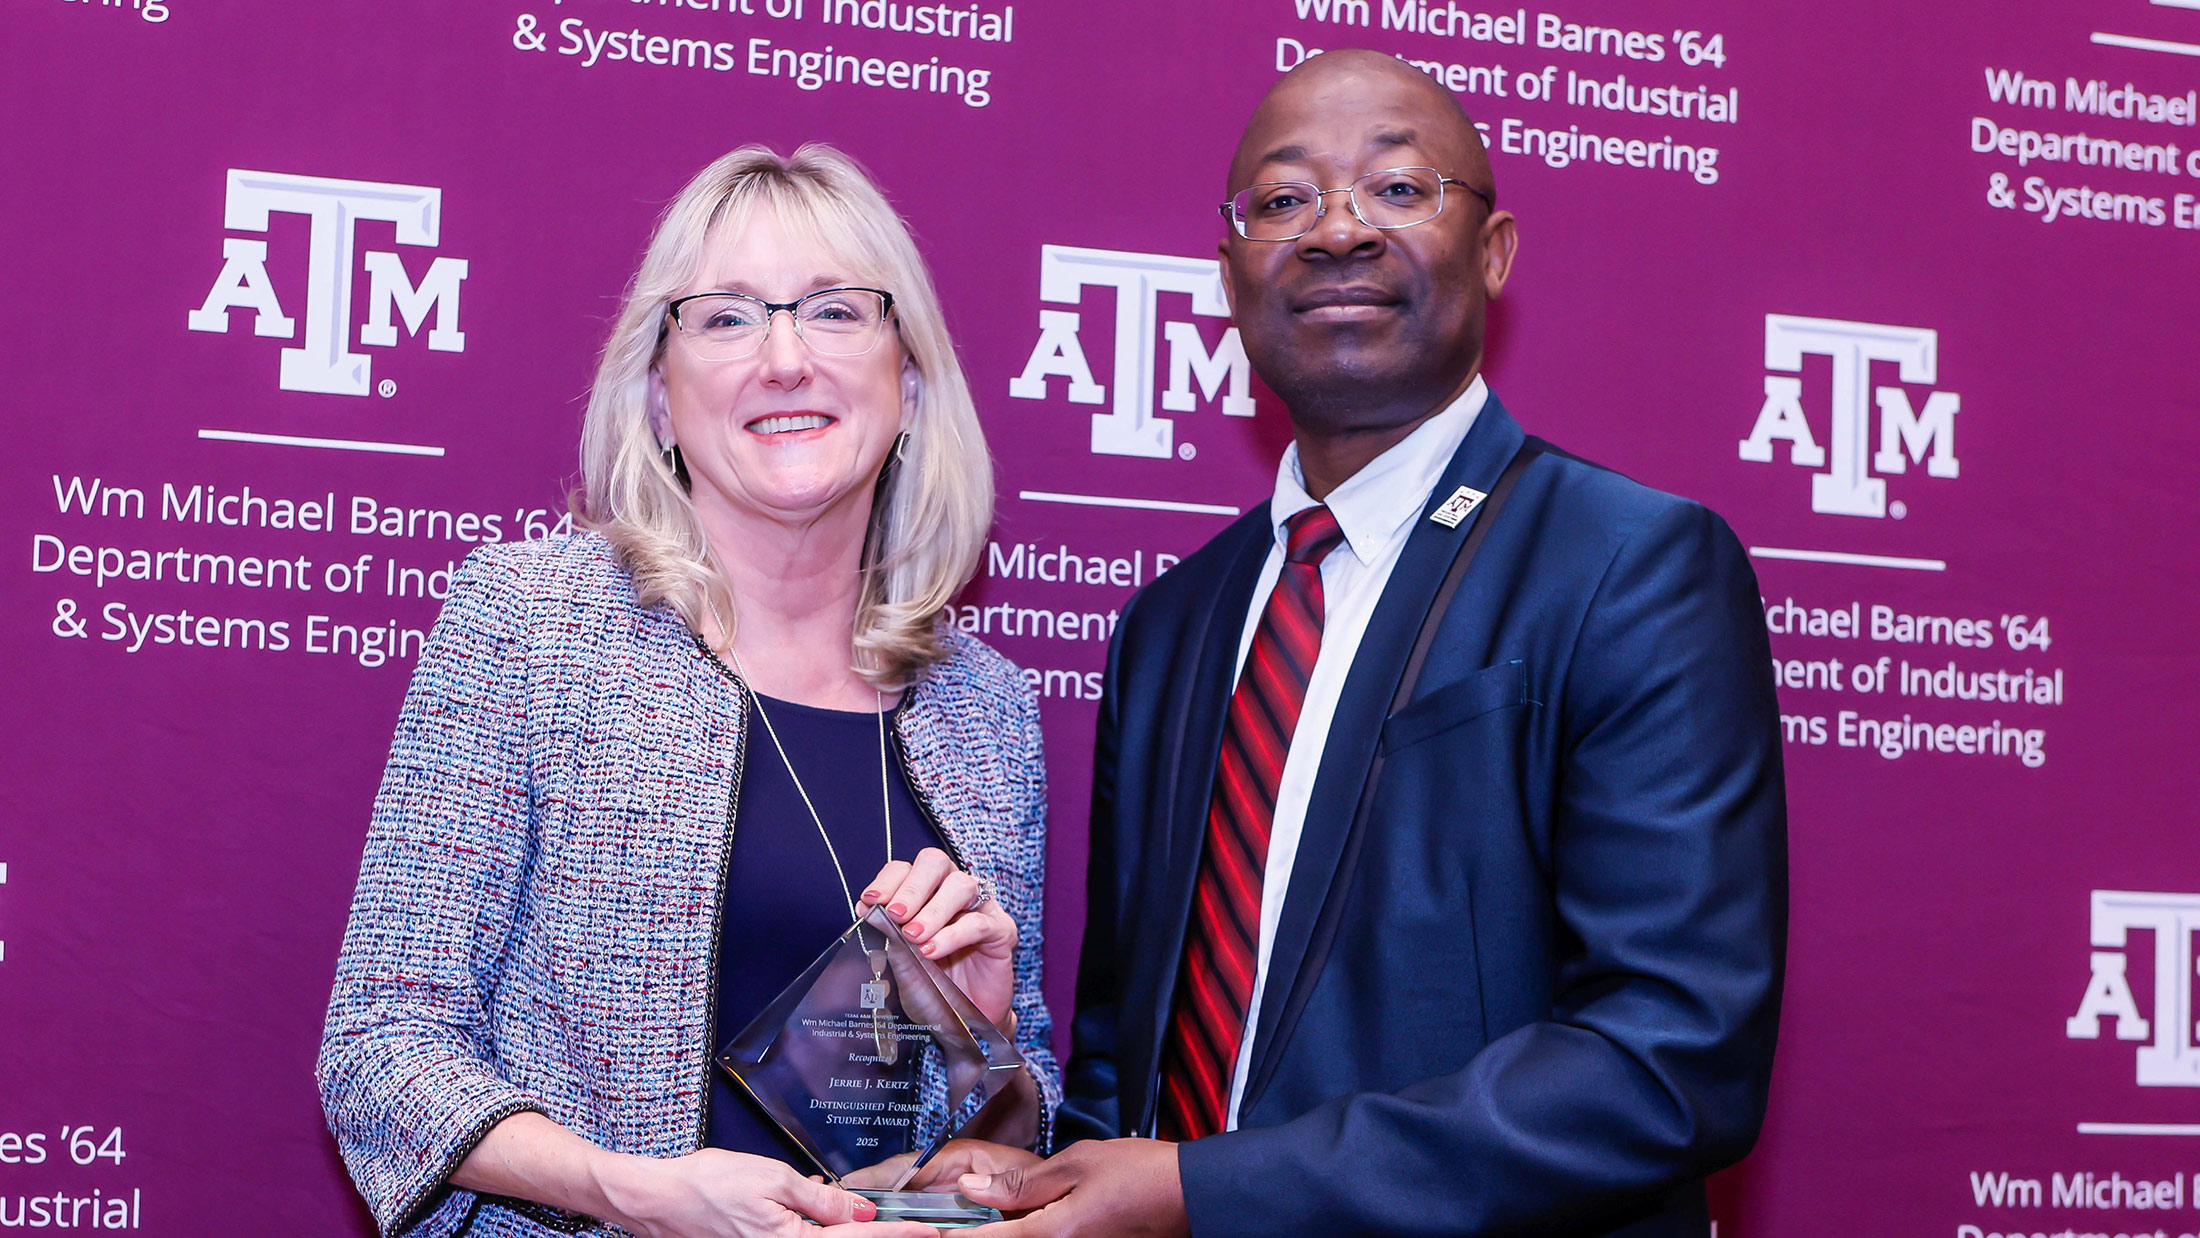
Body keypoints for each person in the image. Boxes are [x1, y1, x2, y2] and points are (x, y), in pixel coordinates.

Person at [933, 50, 1788, 1237]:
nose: (1336, 233)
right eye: (1282, 201)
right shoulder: (1171, 626)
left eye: (1398, 189)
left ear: (1493, 252)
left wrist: (1207, 1192)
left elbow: (1667, 1057)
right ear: (1227, 273)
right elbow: (1124, 1065)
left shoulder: (1628, 565)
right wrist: (1019, 1175)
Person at [318, 144, 1061, 1238]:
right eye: (724, 318)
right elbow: (383, 1042)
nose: (784, 356)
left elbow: (1012, 1119)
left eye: (835, 311)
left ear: (907, 386)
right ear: (661, 400)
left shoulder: (984, 706)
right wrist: (634, 1189)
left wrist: (981, 1038)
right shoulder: (532, 623)